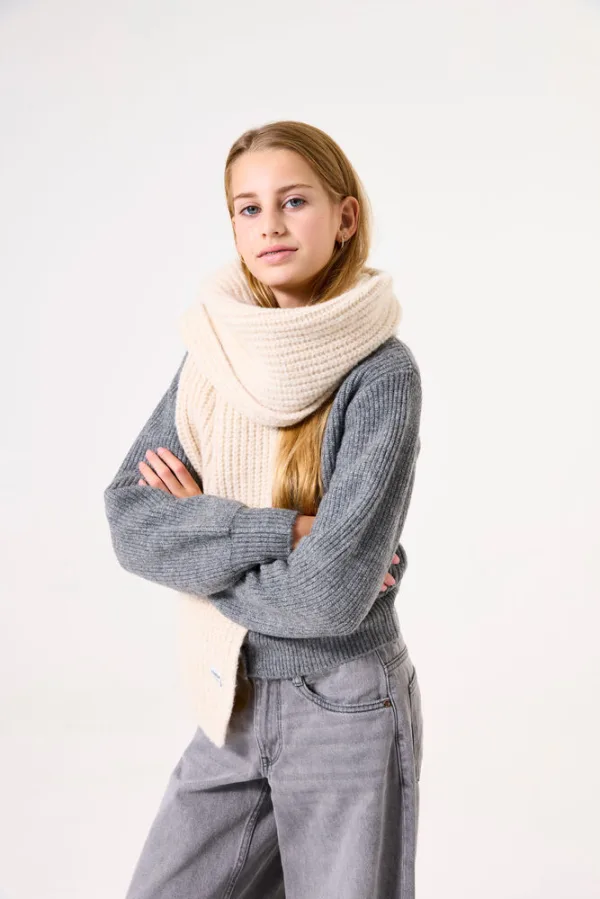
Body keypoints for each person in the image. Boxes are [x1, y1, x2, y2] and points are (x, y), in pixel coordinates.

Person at [104, 119, 424, 899]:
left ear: (344, 217)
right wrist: (281, 531)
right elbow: (131, 520)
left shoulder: (381, 375)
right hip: (232, 695)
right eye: (248, 208)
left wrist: (200, 552)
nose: (270, 224)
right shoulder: (214, 356)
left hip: (346, 703)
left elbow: (329, 596)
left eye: (293, 201)